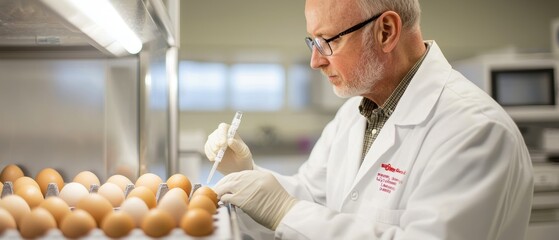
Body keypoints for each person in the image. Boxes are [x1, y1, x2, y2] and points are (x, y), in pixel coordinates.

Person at [204, 0, 534, 239]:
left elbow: (292, 212)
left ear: (386, 31)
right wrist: (244, 175)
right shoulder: (355, 112)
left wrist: (284, 211)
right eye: (312, 41)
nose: (315, 61)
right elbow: (313, 198)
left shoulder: (474, 131)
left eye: (328, 41)